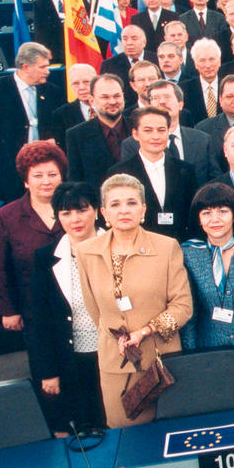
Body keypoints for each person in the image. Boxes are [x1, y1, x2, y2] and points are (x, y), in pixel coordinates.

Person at [75, 173, 192, 427]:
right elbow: (95, 309)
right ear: (104, 212)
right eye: (115, 204)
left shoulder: (167, 247)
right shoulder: (85, 252)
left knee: (169, 435)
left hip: (162, 362)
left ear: (143, 209)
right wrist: (120, 337)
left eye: (131, 203)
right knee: (125, 440)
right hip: (115, 362)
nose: (123, 210)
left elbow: (183, 307)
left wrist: (144, 331)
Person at [180, 183, 234, 406]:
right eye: (206, 213)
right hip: (210, 356)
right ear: (198, 219)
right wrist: (191, 359)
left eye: (222, 211)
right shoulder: (188, 254)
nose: (215, 219)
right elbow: (189, 314)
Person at [28, 182, 104, 434]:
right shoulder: (45, 257)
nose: (75, 219)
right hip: (71, 360)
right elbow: (39, 322)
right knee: (83, 429)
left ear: (97, 210)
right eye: (66, 213)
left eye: (81, 210)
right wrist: (47, 372)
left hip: (114, 356)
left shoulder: (117, 247)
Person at [0, 141, 66, 335]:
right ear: (25, 181)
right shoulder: (6, 216)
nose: (46, 181)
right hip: (33, 311)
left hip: (75, 306)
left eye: (52, 175)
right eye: (37, 176)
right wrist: (8, 310)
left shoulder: (76, 208)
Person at [0, 42, 63, 202]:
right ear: (25, 67)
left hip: (44, 167)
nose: (47, 72)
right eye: (42, 67)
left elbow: (61, 127)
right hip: (7, 171)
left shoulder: (53, 91)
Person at [108, 106, 198, 240]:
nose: (155, 136)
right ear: (135, 134)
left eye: (161, 130)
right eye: (148, 131)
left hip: (179, 246)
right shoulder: (119, 173)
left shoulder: (185, 170)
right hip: (137, 246)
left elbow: (193, 213)